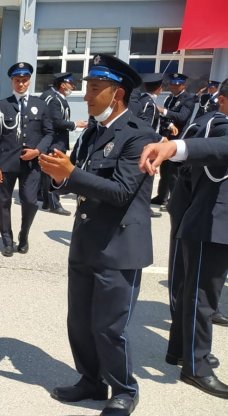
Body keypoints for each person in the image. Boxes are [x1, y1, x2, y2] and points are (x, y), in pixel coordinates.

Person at [40, 54, 158, 416]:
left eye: (95, 89)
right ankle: (91, 380)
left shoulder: (139, 137)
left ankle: (124, 388)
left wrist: (71, 173)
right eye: (87, 89)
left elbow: (122, 191)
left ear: (117, 93)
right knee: (79, 321)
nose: (87, 96)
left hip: (119, 246)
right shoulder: (93, 132)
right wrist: (58, 175)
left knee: (109, 327)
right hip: (87, 240)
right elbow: (75, 179)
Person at [140, 79, 228, 399]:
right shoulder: (217, 124)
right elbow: (217, 149)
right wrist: (172, 148)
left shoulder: (205, 121)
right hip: (211, 223)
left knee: (192, 291)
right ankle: (196, 365)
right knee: (202, 298)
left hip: (202, 218)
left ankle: (181, 351)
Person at [0, 62, 53, 256]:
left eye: (24, 80)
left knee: (30, 201)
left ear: (29, 81)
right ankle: (7, 241)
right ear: (12, 82)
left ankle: (23, 235)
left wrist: (38, 151)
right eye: (17, 80)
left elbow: (49, 134)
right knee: (3, 203)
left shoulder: (40, 105)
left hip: (31, 164)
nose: (21, 84)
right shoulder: (2, 105)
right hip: (6, 163)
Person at [38, 72, 87, 216]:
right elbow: (56, 122)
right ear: (62, 84)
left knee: (48, 171)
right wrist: (75, 124)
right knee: (54, 171)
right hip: (55, 140)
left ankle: (46, 200)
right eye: (70, 83)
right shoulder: (54, 99)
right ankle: (54, 203)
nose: (72, 86)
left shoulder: (55, 97)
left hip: (55, 140)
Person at [152, 73, 196, 210]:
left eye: (177, 85)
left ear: (183, 85)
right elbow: (165, 118)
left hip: (179, 139)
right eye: (172, 84)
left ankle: (174, 200)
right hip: (167, 137)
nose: (174, 87)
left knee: (173, 172)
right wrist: (169, 124)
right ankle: (162, 197)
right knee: (164, 169)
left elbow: (182, 117)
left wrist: (163, 111)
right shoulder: (170, 98)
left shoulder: (188, 99)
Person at [130, 73, 167, 218]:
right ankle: (144, 207)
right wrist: (160, 138)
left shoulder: (143, 100)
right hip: (148, 145)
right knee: (147, 178)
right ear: (158, 88)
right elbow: (147, 127)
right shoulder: (150, 104)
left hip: (143, 143)